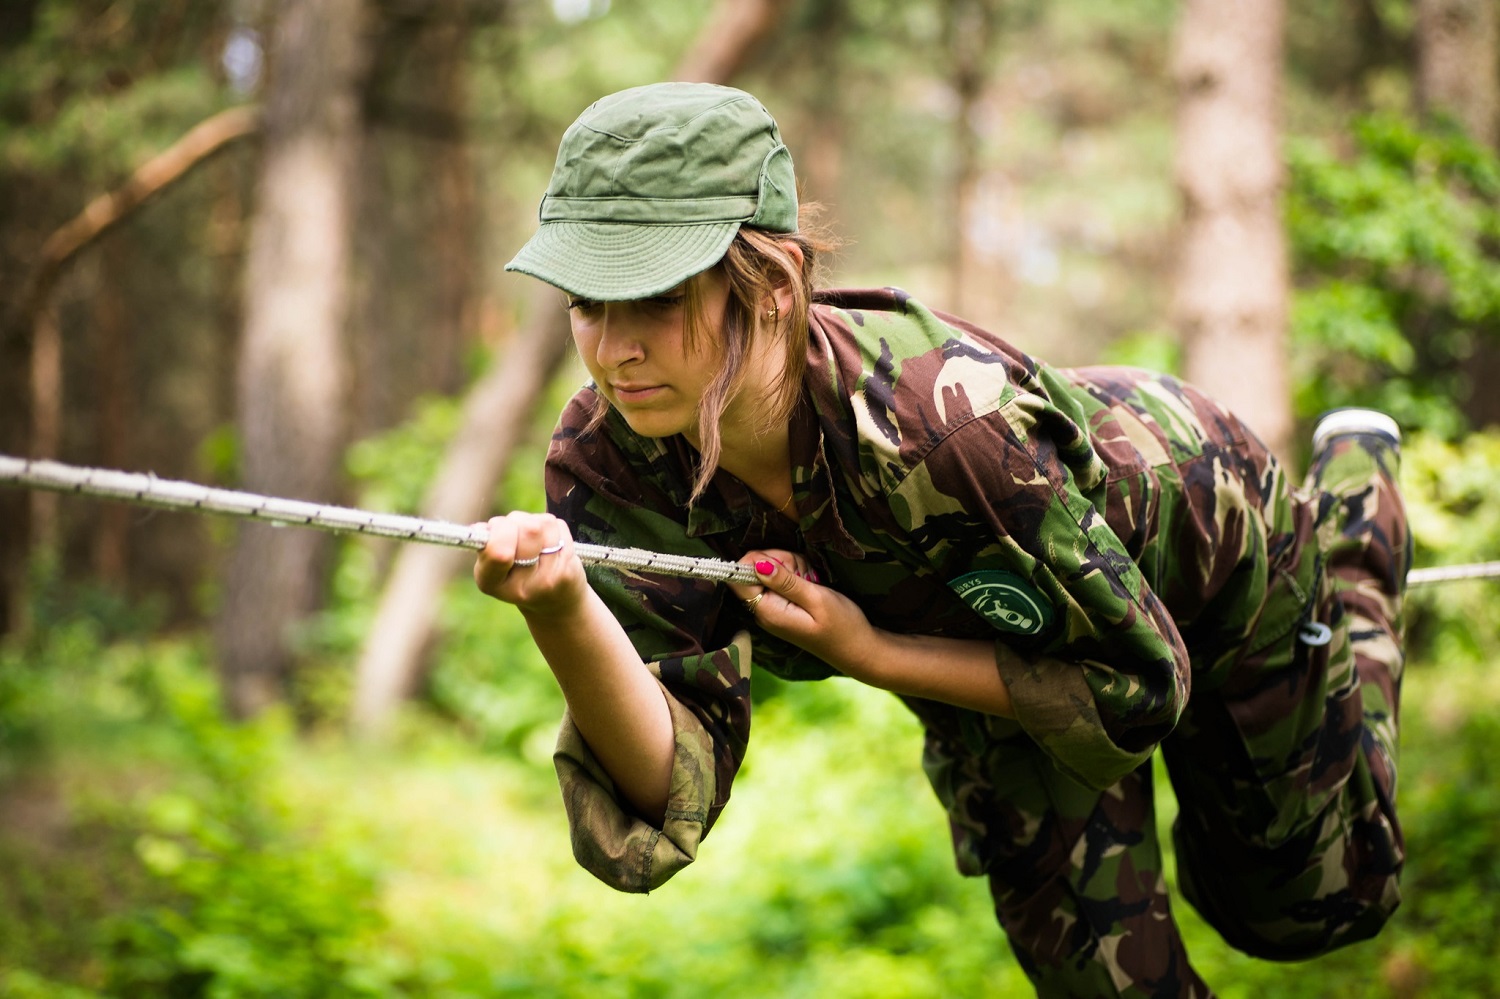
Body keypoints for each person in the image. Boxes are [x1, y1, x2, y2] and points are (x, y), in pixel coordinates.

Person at [473, 81, 1410, 998]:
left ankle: (1357, 536)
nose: (614, 349)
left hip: (1206, 534)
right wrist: (562, 610)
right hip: (994, 646)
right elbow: (666, 783)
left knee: (1303, 907)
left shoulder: (945, 431)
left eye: (654, 299)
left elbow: (1138, 683)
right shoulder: (612, 459)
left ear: (774, 282)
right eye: (587, 302)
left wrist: (872, 653)